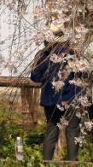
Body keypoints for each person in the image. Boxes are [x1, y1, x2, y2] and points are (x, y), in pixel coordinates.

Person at [30, 24, 81, 162]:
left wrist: (47, 80)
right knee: (72, 131)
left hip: (50, 100)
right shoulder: (72, 54)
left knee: (52, 130)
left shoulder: (42, 55)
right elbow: (82, 73)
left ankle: (46, 162)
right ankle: (72, 164)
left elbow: (35, 77)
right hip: (71, 97)